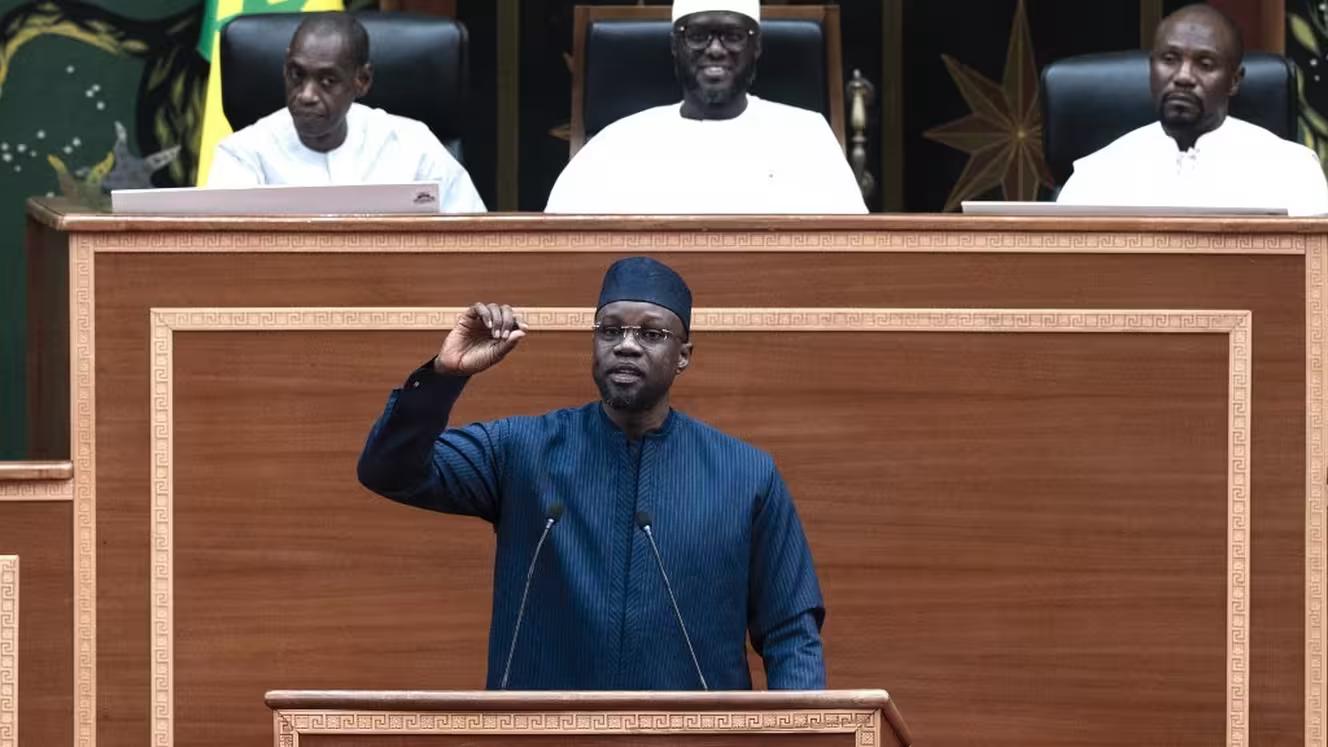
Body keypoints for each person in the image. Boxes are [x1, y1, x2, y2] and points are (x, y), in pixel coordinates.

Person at [357, 256, 826, 690]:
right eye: (610, 330)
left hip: (692, 736)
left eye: (651, 334)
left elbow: (790, 630)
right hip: (544, 735)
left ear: (684, 354)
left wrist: (801, 733)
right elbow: (388, 470)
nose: (626, 345)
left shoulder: (746, 475)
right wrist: (445, 375)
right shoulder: (522, 450)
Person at [544, 0, 866, 214]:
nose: (715, 49)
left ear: (756, 46)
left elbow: (854, 251)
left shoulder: (807, 137)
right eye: (697, 35)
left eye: (733, 36)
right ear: (675, 45)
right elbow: (556, 249)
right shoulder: (615, 144)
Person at [1057, 3, 1328, 216]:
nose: (1183, 76)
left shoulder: (1291, 171)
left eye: (1205, 64)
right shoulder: (1097, 174)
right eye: (1169, 59)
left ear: (1234, 80)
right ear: (1151, 68)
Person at [206, 12, 486, 213]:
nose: (306, 95)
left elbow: (473, 242)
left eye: (327, 80)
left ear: (362, 81)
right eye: (297, 75)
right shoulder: (243, 155)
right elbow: (221, 259)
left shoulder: (413, 146)